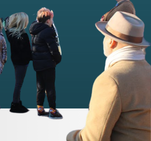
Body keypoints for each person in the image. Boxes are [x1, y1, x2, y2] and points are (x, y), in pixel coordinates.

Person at [66, 12, 150, 141]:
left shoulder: (111, 80)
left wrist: (71, 136)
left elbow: (94, 138)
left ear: (111, 42)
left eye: (105, 36)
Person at [30, 7, 63, 119]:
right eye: (52, 20)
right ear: (48, 20)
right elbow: (53, 49)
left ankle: (40, 108)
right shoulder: (48, 31)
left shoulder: (34, 31)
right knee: (50, 88)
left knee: (40, 87)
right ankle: (53, 110)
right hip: (48, 64)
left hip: (38, 64)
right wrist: (57, 59)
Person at [5, 12, 32, 113]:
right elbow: (26, 51)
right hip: (22, 62)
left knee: (18, 83)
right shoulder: (22, 35)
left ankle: (17, 102)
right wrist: (33, 57)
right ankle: (15, 104)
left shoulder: (11, 33)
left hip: (16, 61)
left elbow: (6, 21)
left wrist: (7, 22)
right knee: (18, 83)